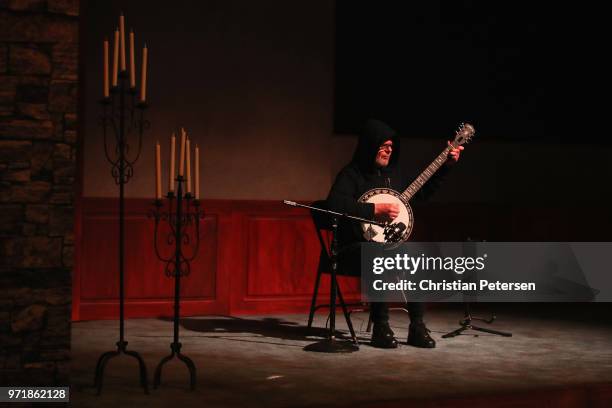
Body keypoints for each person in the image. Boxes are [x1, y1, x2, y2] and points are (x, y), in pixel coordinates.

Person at [326, 119, 463, 349]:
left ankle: (417, 327)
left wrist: (445, 168)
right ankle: (380, 327)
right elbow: (333, 205)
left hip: (383, 248)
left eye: (391, 145)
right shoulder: (352, 175)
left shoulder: (393, 176)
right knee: (378, 253)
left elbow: (422, 192)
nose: (389, 150)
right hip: (349, 250)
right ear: (370, 145)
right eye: (383, 145)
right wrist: (373, 210)